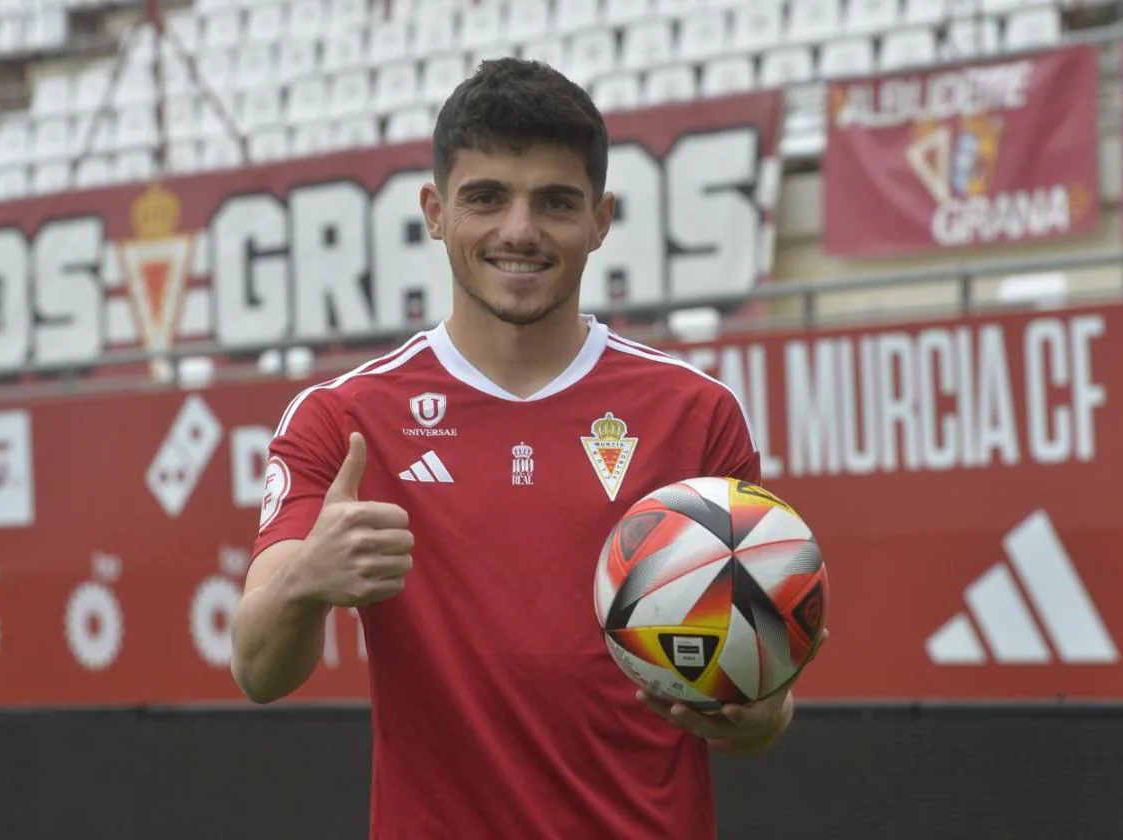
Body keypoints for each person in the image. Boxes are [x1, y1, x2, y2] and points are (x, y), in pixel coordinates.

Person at [231, 57, 807, 840]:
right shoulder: (342, 419)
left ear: (601, 220)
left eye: (556, 202)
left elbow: (761, 702)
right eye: (486, 197)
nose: (519, 230)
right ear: (435, 211)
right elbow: (259, 671)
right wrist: (307, 579)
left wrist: (757, 713)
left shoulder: (696, 414)